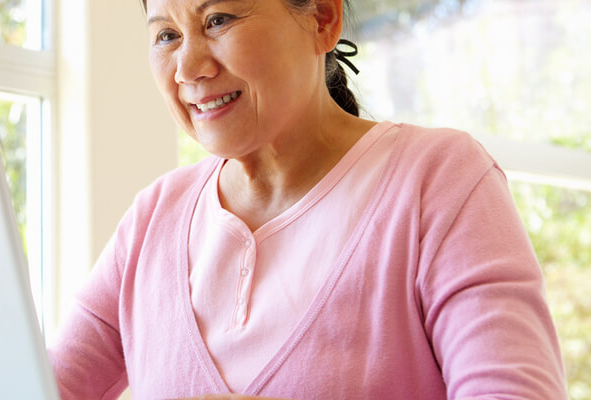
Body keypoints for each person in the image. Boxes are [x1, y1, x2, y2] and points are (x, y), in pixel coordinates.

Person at [48, 0, 568, 398]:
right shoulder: (152, 219)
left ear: (322, 18)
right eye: (166, 35)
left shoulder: (438, 180)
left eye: (218, 20)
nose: (188, 66)